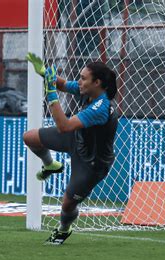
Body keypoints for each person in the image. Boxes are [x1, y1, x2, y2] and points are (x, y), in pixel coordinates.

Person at [24, 53, 119, 245]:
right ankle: (51, 165)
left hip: (92, 163)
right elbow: (64, 84)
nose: (79, 81)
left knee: (67, 204)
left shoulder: (101, 108)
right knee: (30, 138)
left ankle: (63, 229)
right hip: (75, 140)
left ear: (97, 82)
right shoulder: (88, 90)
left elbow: (64, 126)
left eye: (83, 78)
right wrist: (44, 73)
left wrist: (51, 94)